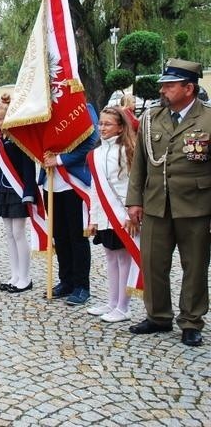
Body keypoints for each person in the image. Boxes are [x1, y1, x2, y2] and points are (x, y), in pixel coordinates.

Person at [126, 58, 211, 347]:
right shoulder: (152, 118)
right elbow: (139, 164)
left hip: (196, 206)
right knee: (153, 263)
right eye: (163, 85)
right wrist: (134, 201)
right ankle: (158, 316)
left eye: (170, 85)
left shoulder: (208, 118)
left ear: (189, 88)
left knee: (195, 265)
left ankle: (191, 321)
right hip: (156, 204)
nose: (163, 90)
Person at [0, 93, 37, 293]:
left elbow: (28, 166)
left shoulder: (21, 138)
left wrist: (29, 191)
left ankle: (25, 278)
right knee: (9, 234)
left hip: (19, 190)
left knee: (19, 233)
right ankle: (15, 274)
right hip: (3, 188)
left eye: (1, 119)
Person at [40, 106, 99, 305]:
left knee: (77, 236)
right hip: (50, 182)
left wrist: (59, 159)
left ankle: (82, 285)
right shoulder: (43, 109)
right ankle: (66, 280)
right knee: (59, 236)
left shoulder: (82, 107)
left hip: (73, 182)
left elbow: (91, 141)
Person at [86, 106, 136, 322]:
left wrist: (130, 214)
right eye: (101, 123)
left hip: (122, 215)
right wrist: (93, 217)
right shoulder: (95, 154)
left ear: (120, 127)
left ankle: (123, 307)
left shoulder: (127, 151)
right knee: (110, 257)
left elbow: (132, 185)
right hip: (105, 215)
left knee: (124, 259)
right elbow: (94, 188)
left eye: (108, 124)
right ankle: (112, 301)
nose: (102, 128)